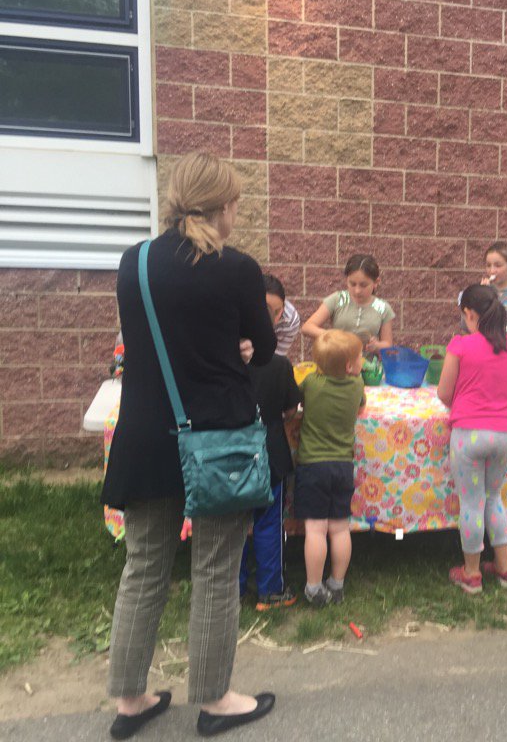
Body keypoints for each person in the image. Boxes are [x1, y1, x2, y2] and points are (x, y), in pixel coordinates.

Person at [102, 152, 277, 739]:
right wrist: (240, 353)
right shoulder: (237, 269)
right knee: (215, 571)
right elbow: (265, 346)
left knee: (144, 567)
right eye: (235, 203)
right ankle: (215, 698)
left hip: (146, 436)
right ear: (222, 206)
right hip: (218, 441)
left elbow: (152, 344)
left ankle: (130, 699)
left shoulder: (136, 263)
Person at [437, 284, 507, 594]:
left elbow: (444, 393)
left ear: (470, 314)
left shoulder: (460, 345)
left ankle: (472, 572)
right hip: (503, 434)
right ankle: (506, 568)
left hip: (468, 434)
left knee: (471, 502)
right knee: (494, 498)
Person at [238, 274, 301, 611]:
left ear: (280, 318)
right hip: (268, 456)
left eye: (274, 312)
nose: (267, 317)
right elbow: (291, 409)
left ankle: (232, 589)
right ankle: (269, 588)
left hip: (236, 458)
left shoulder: (275, 364)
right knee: (266, 524)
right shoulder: (277, 366)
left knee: (235, 523)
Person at [295, 329, 365, 607]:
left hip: (313, 465)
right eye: (360, 357)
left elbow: (296, 401)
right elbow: (361, 407)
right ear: (349, 366)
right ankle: (337, 584)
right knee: (339, 528)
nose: (363, 361)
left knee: (315, 530)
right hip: (342, 465)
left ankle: (313, 587)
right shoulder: (357, 385)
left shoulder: (311, 383)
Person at [301, 254, 395, 354]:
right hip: (337, 362)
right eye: (352, 284)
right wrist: (333, 337)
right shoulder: (337, 299)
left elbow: (388, 345)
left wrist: (377, 346)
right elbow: (307, 327)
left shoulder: (383, 308)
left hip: (368, 366)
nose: (357, 291)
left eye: (363, 285)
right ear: (346, 280)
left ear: (376, 282)